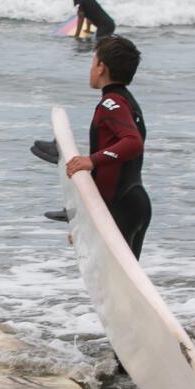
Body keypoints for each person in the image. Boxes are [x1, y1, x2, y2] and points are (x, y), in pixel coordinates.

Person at [68, 35, 150, 258]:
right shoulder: (127, 102)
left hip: (121, 207)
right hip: (133, 203)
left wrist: (91, 160)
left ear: (101, 68)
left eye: (93, 62)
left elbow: (133, 143)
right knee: (124, 287)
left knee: (118, 287)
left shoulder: (110, 104)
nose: (91, 69)